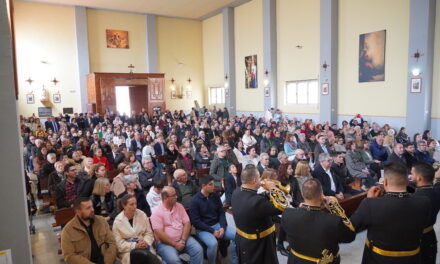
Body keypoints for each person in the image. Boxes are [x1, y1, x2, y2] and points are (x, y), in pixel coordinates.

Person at [350, 163, 431, 264]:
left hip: (378, 259)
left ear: (385, 182)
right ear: (407, 181)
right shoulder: (424, 202)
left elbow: (350, 230)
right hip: (412, 259)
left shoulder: (370, 204)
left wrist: (369, 201)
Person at [282, 179, 356, 264]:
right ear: (322, 196)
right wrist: (335, 208)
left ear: (302, 195)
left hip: (296, 260)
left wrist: (299, 209)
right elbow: (350, 236)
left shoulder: (287, 214)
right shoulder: (333, 220)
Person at [231, 166, 283, 264]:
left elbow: (255, 200)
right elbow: (282, 206)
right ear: (254, 180)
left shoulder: (237, 191)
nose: (261, 180)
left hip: (243, 240)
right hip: (260, 244)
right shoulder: (257, 202)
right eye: (259, 177)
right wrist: (273, 188)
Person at [188, 175, 238, 264]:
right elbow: (196, 222)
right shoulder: (194, 201)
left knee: (237, 235)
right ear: (203, 186)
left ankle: (234, 261)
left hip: (217, 225)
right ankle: (212, 262)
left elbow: (221, 212)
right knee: (213, 244)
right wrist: (212, 231)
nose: (213, 186)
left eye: (213, 184)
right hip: (203, 229)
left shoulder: (214, 195)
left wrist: (222, 227)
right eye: (210, 184)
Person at [150, 186, 204, 264]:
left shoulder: (179, 206)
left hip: (183, 238)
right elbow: (160, 234)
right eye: (174, 195)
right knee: (174, 260)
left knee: (198, 250)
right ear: (165, 198)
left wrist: (183, 240)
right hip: (165, 243)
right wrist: (175, 244)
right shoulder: (156, 212)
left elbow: (187, 223)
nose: (176, 197)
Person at [61, 197, 117, 264]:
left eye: (92, 206)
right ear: (78, 211)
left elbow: (112, 243)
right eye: (88, 208)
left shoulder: (101, 221)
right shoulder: (68, 230)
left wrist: (108, 261)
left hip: (106, 261)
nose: (92, 210)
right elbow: (69, 256)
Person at [112, 194, 161, 264]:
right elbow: (118, 244)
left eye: (135, 203)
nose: (135, 206)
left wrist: (145, 242)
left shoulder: (142, 214)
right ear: (124, 206)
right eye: (131, 204)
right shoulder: (117, 221)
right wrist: (134, 245)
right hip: (128, 251)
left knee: (150, 258)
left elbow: (149, 233)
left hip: (145, 246)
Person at [411, 163, 440, 264]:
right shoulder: (436, 192)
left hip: (415, 240)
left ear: (419, 178)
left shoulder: (414, 199)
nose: (411, 176)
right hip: (430, 236)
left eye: (412, 174)